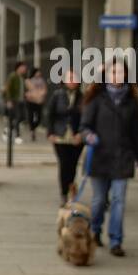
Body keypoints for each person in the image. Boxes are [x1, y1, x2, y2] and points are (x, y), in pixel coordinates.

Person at [80, 59, 138, 257]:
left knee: (119, 200)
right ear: (106, 75)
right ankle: (95, 230)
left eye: (120, 72)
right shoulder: (96, 98)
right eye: (113, 72)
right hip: (100, 157)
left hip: (122, 158)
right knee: (99, 200)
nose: (116, 75)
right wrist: (89, 136)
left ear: (126, 75)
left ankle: (116, 240)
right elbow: (84, 127)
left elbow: (137, 133)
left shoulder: (132, 101)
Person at [43, 64, 83, 201]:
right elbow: (50, 114)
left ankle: (71, 186)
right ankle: (64, 192)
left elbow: (86, 118)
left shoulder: (83, 97)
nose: (72, 80)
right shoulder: (57, 95)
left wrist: (81, 134)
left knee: (73, 165)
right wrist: (50, 132)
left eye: (74, 77)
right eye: (69, 77)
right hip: (60, 136)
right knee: (64, 163)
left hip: (76, 137)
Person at [3, 60, 27, 145]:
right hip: (14, 100)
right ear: (18, 67)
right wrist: (8, 100)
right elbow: (7, 88)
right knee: (17, 117)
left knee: (22, 117)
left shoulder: (22, 77)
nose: (24, 69)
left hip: (21, 100)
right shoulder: (13, 76)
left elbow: (23, 89)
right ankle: (17, 136)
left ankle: (8, 129)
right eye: (23, 67)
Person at [24, 66, 48, 140]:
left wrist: (41, 94)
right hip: (31, 101)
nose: (38, 73)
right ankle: (32, 130)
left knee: (39, 116)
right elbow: (28, 89)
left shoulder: (42, 81)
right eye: (37, 72)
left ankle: (33, 128)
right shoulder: (29, 80)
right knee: (31, 115)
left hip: (39, 101)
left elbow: (44, 90)